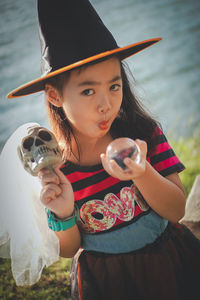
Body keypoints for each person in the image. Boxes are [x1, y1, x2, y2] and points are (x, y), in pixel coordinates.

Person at [7, 0, 200, 299]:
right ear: (55, 95)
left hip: (168, 260)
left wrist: (142, 172)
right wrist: (62, 211)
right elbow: (70, 249)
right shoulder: (58, 168)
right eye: (87, 91)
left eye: (114, 85)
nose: (106, 104)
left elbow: (176, 211)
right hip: (105, 279)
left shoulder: (143, 136)